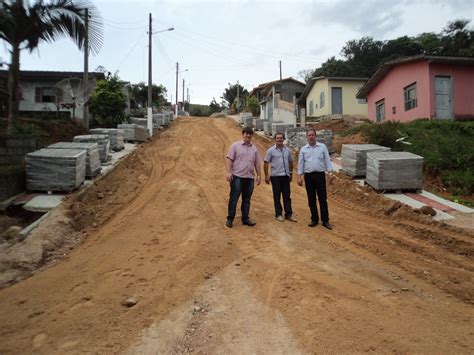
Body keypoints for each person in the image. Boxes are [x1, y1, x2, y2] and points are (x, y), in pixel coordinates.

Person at [297, 128, 334, 229]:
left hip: (320, 175)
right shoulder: (303, 149)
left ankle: (325, 221)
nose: (311, 137)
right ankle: (314, 219)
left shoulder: (322, 147)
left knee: (322, 199)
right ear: (307, 137)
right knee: (311, 199)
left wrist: (330, 173)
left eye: (312, 135)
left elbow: (327, 160)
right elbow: (300, 164)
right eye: (309, 135)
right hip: (308, 176)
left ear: (315, 136)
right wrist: (299, 176)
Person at [225, 127, 262, 228]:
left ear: (252, 136)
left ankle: (245, 219)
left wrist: (259, 175)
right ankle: (230, 219)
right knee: (234, 198)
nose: (248, 135)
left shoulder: (254, 148)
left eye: (250, 134)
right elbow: (229, 159)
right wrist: (228, 172)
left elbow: (257, 163)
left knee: (247, 199)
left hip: (249, 178)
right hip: (237, 177)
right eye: (246, 134)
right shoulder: (235, 146)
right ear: (243, 134)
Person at [264, 132, 297, 222]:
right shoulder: (271, 151)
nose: (279, 139)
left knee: (287, 196)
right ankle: (278, 214)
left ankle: (288, 214)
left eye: (281, 138)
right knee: (277, 196)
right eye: (278, 138)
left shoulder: (288, 150)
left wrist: (291, 173)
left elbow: (290, 162)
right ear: (275, 139)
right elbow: (266, 162)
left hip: (285, 176)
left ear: (283, 139)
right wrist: (266, 175)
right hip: (275, 176)